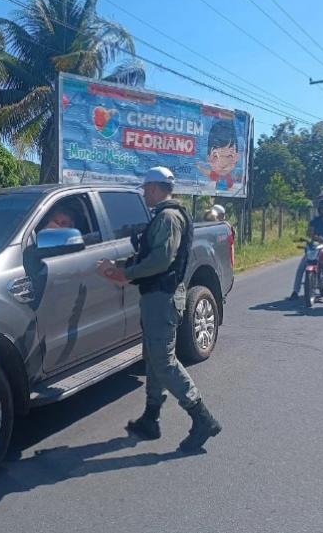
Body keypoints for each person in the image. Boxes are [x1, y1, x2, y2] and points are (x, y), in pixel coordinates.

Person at [97, 167, 221, 452]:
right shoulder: (165, 216)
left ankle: (202, 417)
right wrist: (122, 267)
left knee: (163, 362)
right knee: (153, 358)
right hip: (157, 296)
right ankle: (151, 418)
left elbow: (161, 260)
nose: (143, 193)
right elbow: (151, 256)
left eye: (145, 189)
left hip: (161, 298)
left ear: (154, 188)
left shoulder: (167, 217)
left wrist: (126, 274)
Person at [288, 198, 323, 300]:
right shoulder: (314, 221)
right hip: (315, 245)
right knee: (302, 266)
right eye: (322, 209)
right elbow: (310, 232)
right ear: (319, 210)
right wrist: (316, 238)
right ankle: (295, 291)